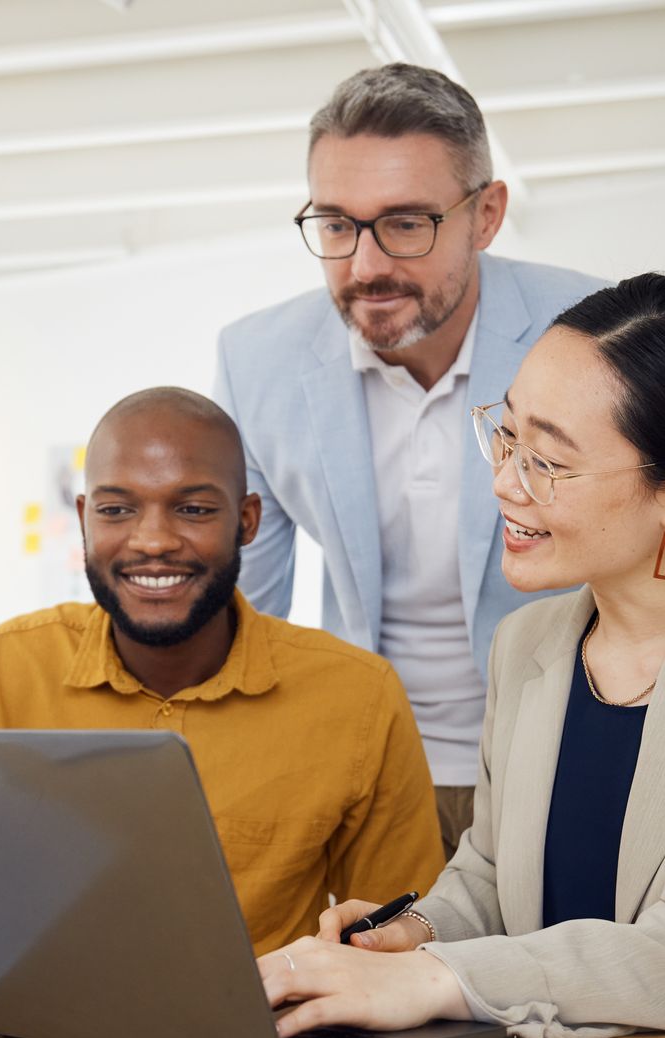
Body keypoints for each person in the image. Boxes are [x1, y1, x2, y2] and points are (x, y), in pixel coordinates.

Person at [258, 274, 665, 1038]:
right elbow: (490, 882)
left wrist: (433, 979)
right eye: (505, 435)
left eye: (548, 461)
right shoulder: (529, 645)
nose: (505, 481)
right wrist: (411, 934)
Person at [0, 388, 443, 958]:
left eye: (192, 509)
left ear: (246, 521)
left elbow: (400, 932)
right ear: (83, 520)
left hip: (268, 1032)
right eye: (116, 509)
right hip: (29, 1031)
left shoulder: (357, 697)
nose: (152, 541)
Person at [212, 63, 605, 858]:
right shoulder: (257, 360)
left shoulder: (599, 331)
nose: (365, 266)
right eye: (335, 224)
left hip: (572, 759)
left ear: (486, 214)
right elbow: (242, 620)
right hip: (367, 770)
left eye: (406, 224)